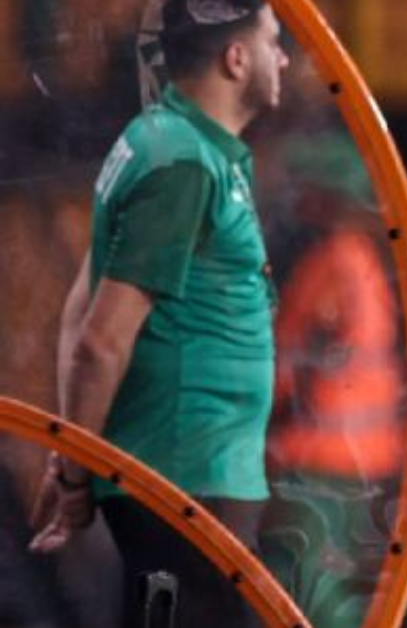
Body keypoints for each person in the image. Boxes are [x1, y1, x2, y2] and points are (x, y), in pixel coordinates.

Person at [27, 1, 289, 626]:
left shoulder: (168, 143)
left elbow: (79, 309)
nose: (283, 59)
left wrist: (72, 457)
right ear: (236, 58)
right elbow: (99, 340)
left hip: (188, 482)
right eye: (273, 42)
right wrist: (75, 471)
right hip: (186, 482)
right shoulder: (182, 162)